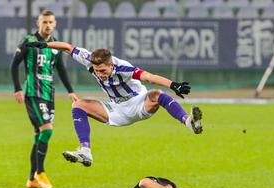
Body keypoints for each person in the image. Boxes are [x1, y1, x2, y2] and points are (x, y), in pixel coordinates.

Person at [25, 41, 203, 167]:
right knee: (78, 105)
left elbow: (149, 77)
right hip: (116, 108)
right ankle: (85, 151)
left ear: (111, 65)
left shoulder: (123, 68)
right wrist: (45, 45)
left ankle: (189, 122)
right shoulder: (89, 59)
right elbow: (67, 47)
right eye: (96, 71)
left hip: (138, 103)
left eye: (103, 71)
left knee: (156, 94)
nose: (100, 74)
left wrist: (173, 85)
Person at [11, 10, 78, 188]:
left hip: (49, 94)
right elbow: (14, 64)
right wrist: (18, 88)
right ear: (38, 24)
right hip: (33, 92)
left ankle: (31, 179)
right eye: (44, 22)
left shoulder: (55, 45)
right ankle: (40, 172)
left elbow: (61, 69)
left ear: (55, 24)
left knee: (39, 135)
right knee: (47, 130)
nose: (47, 25)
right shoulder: (29, 42)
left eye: (50, 22)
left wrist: (70, 91)